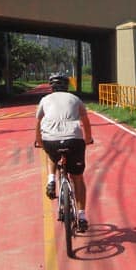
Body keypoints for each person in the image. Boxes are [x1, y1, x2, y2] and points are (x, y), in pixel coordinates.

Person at [34, 73, 94, 232]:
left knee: (51, 154)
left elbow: (38, 123)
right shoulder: (75, 99)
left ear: (51, 87)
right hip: (74, 141)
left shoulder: (45, 100)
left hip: (51, 141)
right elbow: (86, 122)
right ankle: (82, 217)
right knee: (78, 178)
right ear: (67, 86)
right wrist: (88, 139)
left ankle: (51, 180)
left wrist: (40, 142)